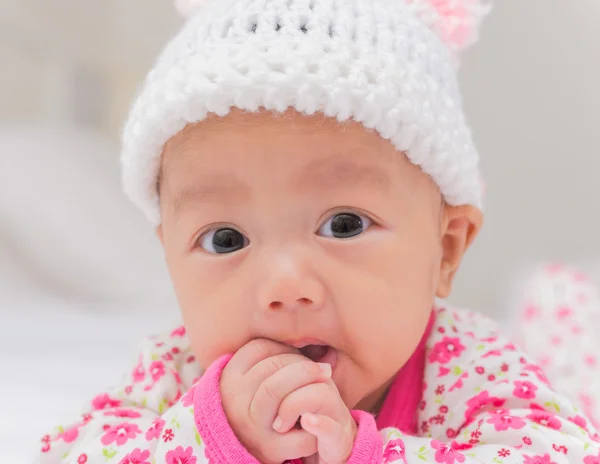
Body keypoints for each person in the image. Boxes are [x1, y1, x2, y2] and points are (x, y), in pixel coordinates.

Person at [36, 0, 600, 462]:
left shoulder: (467, 366)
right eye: (225, 240)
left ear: (445, 250)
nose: (284, 285)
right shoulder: (177, 372)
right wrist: (216, 436)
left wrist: (366, 453)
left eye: (344, 225)